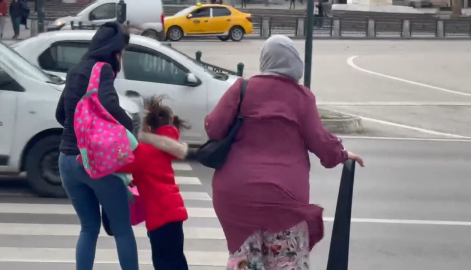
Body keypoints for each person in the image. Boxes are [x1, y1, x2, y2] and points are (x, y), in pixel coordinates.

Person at [205, 35, 365, 270]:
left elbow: (215, 128)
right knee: (285, 262)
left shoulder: (242, 88)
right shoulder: (301, 97)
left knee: (246, 262)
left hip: (236, 195)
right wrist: (341, 153)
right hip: (283, 198)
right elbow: (321, 143)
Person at [55, 22, 188, 270]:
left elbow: (60, 114)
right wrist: (129, 132)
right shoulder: (103, 68)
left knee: (88, 228)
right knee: (122, 229)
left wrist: (78, 135)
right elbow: (108, 103)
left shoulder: (75, 71)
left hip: (66, 160)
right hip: (92, 164)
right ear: (116, 50)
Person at [117, 96, 190, 270]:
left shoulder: (144, 151)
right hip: (174, 213)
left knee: (162, 261)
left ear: (148, 129)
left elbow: (120, 165)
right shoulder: (166, 150)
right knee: (177, 259)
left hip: (160, 217)